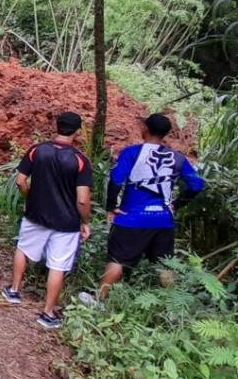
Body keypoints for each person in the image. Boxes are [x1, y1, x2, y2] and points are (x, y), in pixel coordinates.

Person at [87, 113, 204, 302]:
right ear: (165, 134)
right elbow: (197, 184)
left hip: (131, 218)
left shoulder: (132, 152)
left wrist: (111, 206)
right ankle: (173, 306)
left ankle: (98, 300)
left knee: (117, 260)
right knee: (165, 265)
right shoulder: (178, 158)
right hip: (162, 221)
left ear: (145, 129)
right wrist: (176, 204)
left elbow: (116, 180)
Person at [0, 111, 93, 329]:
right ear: (78, 132)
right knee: (58, 265)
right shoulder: (80, 160)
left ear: (56, 126)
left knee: (23, 248)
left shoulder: (36, 150)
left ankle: (14, 291)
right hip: (67, 222)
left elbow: (21, 182)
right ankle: (47, 313)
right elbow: (82, 200)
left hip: (36, 214)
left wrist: (29, 198)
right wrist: (85, 222)